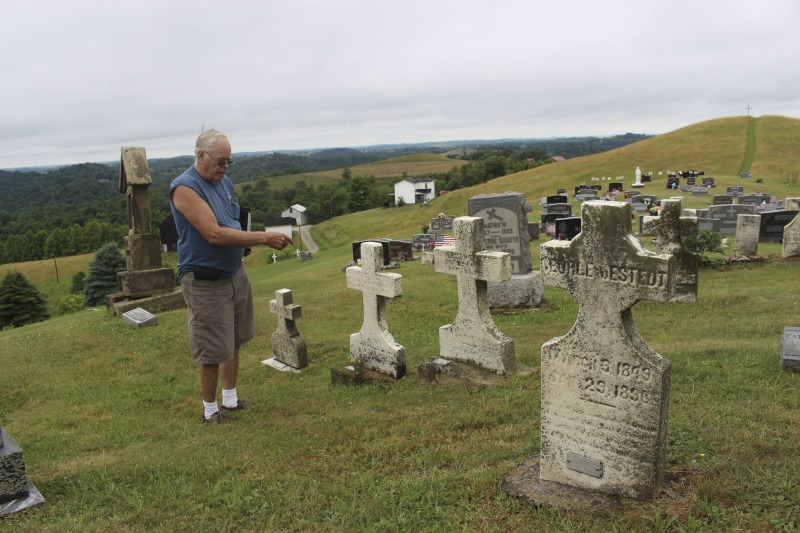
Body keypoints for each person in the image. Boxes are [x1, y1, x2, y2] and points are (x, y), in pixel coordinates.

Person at [169, 129, 293, 424]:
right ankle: (210, 411)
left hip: (233, 273)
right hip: (204, 279)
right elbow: (213, 233)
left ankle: (231, 400)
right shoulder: (184, 188)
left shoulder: (224, 183)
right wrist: (262, 238)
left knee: (234, 339)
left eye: (229, 162)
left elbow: (233, 221)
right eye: (220, 162)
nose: (225, 168)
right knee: (212, 348)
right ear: (201, 156)